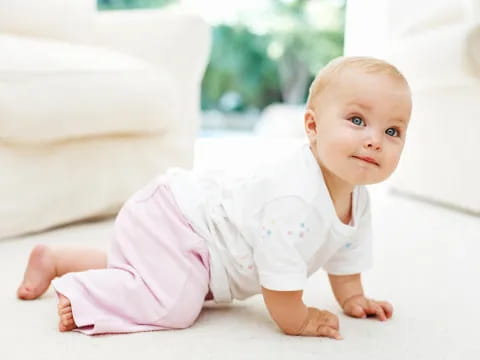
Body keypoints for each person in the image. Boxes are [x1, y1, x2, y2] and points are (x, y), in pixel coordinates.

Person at [17, 56, 412, 339]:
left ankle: (59, 260)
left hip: (186, 236)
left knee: (152, 274)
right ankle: (84, 294)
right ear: (311, 125)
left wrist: (354, 297)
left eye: (392, 131)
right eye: (357, 121)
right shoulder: (294, 200)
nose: (374, 140)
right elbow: (280, 287)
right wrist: (301, 320)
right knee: (174, 304)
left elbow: (343, 253)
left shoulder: (356, 199)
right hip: (178, 220)